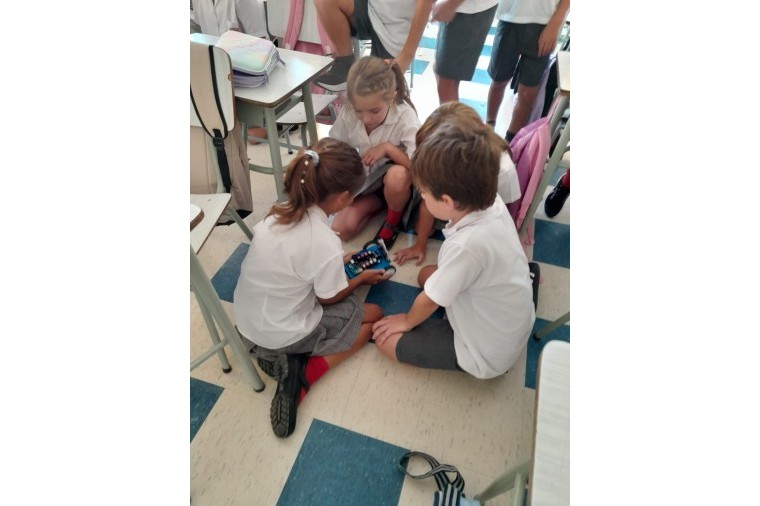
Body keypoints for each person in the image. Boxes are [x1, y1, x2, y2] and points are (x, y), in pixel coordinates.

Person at [233, 138, 386, 438]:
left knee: (346, 305)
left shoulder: (275, 214)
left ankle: (283, 358)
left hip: (247, 327)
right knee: (373, 316)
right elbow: (328, 298)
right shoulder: (323, 240)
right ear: (344, 198)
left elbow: (294, 264)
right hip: (284, 334)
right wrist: (360, 279)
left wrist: (336, 262)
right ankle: (303, 372)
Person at [371, 118, 536, 379]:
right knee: (427, 275)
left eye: (424, 192)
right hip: (508, 317)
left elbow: (430, 300)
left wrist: (406, 321)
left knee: (385, 341)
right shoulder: (491, 201)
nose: (422, 197)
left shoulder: (467, 246)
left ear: (447, 201)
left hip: (487, 352)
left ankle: (467, 355)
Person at [394, 102, 521, 266]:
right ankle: (423, 241)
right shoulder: (464, 161)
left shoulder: (502, 171)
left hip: (478, 225)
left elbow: (506, 216)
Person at [328, 56, 421, 250]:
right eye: (359, 111)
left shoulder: (405, 116)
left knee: (397, 176)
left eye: (374, 111)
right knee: (340, 230)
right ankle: (382, 204)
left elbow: (419, 168)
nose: (366, 119)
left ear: (392, 97)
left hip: (402, 181)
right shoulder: (349, 112)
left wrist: (388, 149)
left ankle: (393, 219)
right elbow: (336, 148)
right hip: (369, 182)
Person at [485, 0, 569, 141]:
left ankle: (511, 141)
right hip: (509, 18)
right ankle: (488, 128)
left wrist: (554, 25)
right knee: (499, 81)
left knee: (528, 93)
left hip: (545, 24)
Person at [314, 0, 434, 91]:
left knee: (379, 97)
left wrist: (407, 54)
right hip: (371, 8)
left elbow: (426, 3)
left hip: (397, 27)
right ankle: (345, 64)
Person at [430, 0, 499, 103]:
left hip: (466, 9)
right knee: (443, 75)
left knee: (446, 82)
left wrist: (450, 4)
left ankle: (451, 114)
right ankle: (451, 113)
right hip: (464, 8)